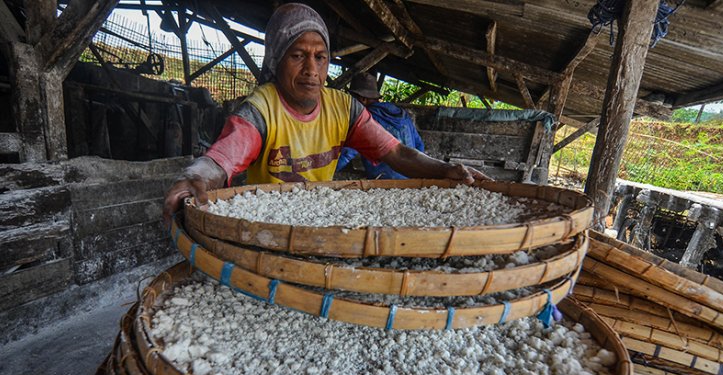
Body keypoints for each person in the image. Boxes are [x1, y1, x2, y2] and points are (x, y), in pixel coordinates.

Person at [163, 3, 488, 224]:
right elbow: (222, 158)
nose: (311, 70)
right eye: (298, 56)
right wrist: (196, 177)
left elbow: (396, 151)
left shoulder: (343, 107)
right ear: (276, 60)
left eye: (320, 57)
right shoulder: (263, 108)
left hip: (317, 218)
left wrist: (445, 170)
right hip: (268, 222)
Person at [337, 72, 423, 180]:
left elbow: (348, 153)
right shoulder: (403, 115)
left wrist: (326, 172)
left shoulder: (367, 118)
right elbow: (419, 145)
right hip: (408, 177)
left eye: (354, 99)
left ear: (363, 99)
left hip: (382, 179)